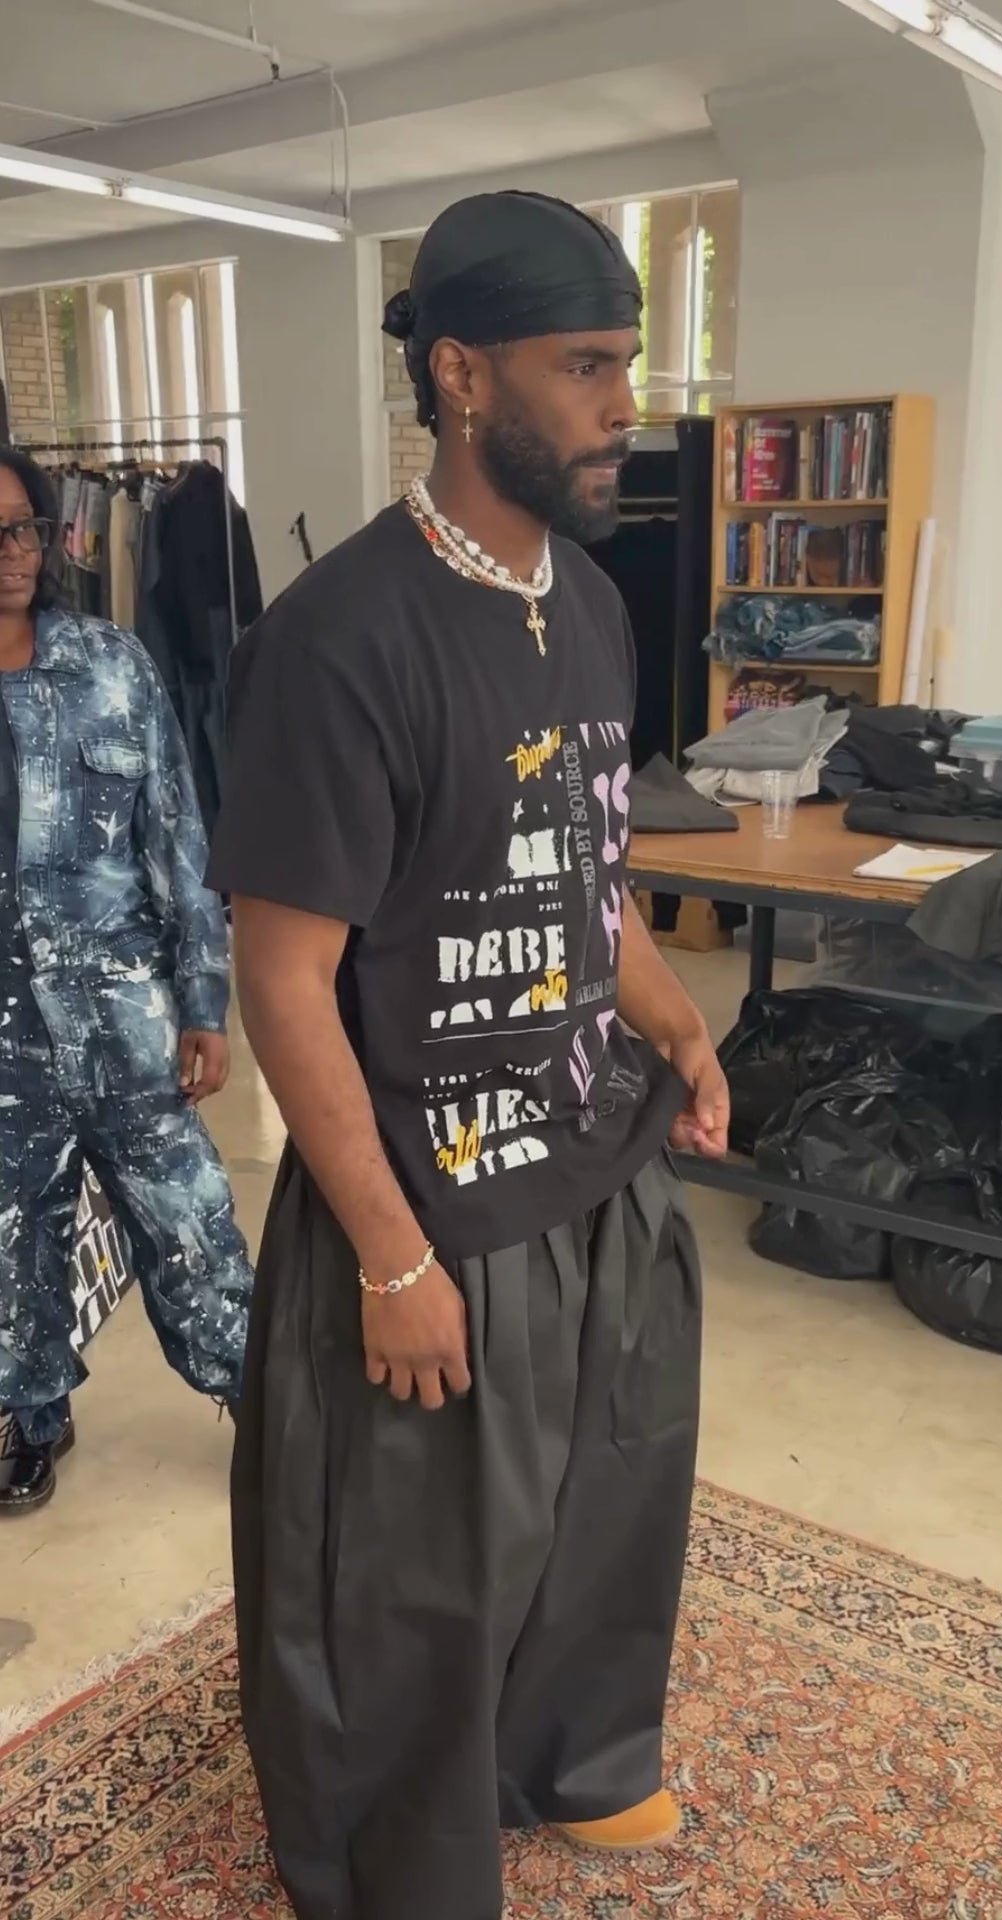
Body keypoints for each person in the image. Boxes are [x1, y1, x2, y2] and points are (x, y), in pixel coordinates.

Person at [208, 190, 730, 1920]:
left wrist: (668, 1022)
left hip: (587, 1149)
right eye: (586, 366)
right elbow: (283, 979)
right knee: (406, 1583)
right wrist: (394, 1253)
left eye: (626, 365)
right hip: (427, 1194)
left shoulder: (586, 605)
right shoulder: (336, 641)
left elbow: (590, 873)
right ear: (458, 374)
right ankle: (394, 1868)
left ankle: (579, 1757)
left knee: (609, 1499)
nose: (621, 404)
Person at [0, 447, 252, 1514]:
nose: (6, 553)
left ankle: (270, 1400)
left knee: (191, 1219)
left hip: (121, 1015)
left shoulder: (113, 667)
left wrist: (204, 1003)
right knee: (10, 1237)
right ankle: (27, 1416)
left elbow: (179, 842)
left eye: (18, 528)